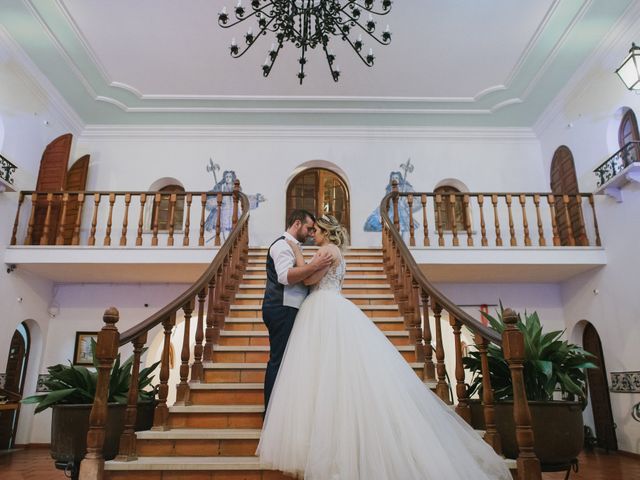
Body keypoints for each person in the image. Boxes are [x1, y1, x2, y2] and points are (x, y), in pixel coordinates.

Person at [257, 215, 512, 480]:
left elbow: (309, 281)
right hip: (331, 305)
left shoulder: (326, 251)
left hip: (323, 308)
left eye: (317, 231)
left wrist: (299, 255)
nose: (314, 235)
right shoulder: (336, 253)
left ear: (326, 233)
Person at [261, 210, 333, 410]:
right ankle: (271, 412)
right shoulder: (282, 245)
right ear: (297, 223)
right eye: (309, 228)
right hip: (281, 308)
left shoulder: (292, 246)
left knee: (287, 361)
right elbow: (286, 276)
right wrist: (314, 266)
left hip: (289, 307)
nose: (311, 233)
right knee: (278, 360)